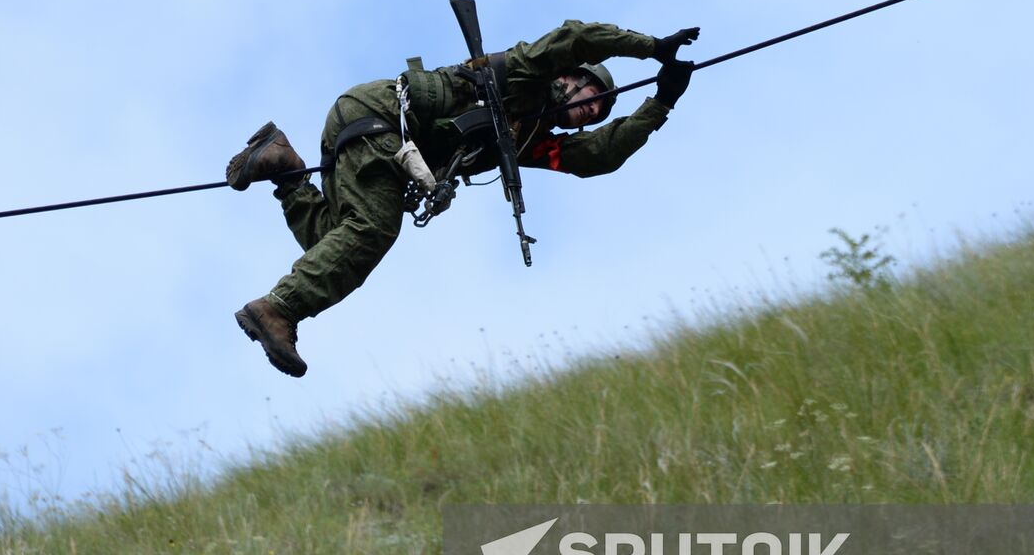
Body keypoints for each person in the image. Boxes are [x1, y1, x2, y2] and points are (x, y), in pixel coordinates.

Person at [226, 20, 700, 377]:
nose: (591, 111)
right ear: (570, 78)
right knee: (372, 230)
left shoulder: (530, 139)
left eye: (596, 112)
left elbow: (600, 154)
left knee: (331, 243)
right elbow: (578, 36)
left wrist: (660, 103)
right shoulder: (526, 76)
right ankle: (279, 308)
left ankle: (284, 167)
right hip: (383, 117)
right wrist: (651, 48)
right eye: (593, 94)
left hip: (375, 137)